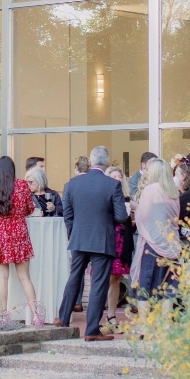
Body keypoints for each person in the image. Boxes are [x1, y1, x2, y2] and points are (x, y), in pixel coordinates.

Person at [55, 146, 128, 341]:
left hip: (79, 237)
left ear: (90, 160)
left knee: (74, 277)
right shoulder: (112, 185)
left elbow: (67, 215)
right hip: (102, 239)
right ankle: (92, 329)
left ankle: (63, 318)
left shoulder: (72, 184)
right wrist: (106, 222)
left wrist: (74, 232)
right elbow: (121, 216)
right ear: (108, 163)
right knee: (98, 283)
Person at [0, 156, 42, 324]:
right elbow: (30, 208)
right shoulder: (23, 185)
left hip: (0, 235)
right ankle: (36, 315)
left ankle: (3, 314)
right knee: (25, 277)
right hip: (19, 234)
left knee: (2, 277)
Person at [129, 158, 181, 312]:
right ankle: (165, 326)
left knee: (145, 287)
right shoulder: (174, 192)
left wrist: (135, 208)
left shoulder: (151, 189)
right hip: (172, 244)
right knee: (168, 290)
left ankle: (146, 327)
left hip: (152, 245)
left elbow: (142, 216)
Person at [101, 166, 134, 334]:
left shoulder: (127, 198)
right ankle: (99, 316)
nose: (117, 179)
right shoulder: (103, 197)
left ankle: (112, 316)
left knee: (116, 279)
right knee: (104, 279)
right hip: (108, 241)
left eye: (119, 176)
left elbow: (129, 225)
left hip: (123, 242)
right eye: (113, 176)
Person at [62, 155, 89, 313]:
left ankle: (74, 302)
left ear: (76, 168)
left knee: (76, 268)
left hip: (77, 232)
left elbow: (67, 211)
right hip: (93, 233)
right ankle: (79, 302)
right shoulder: (96, 183)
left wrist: (70, 230)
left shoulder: (69, 185)